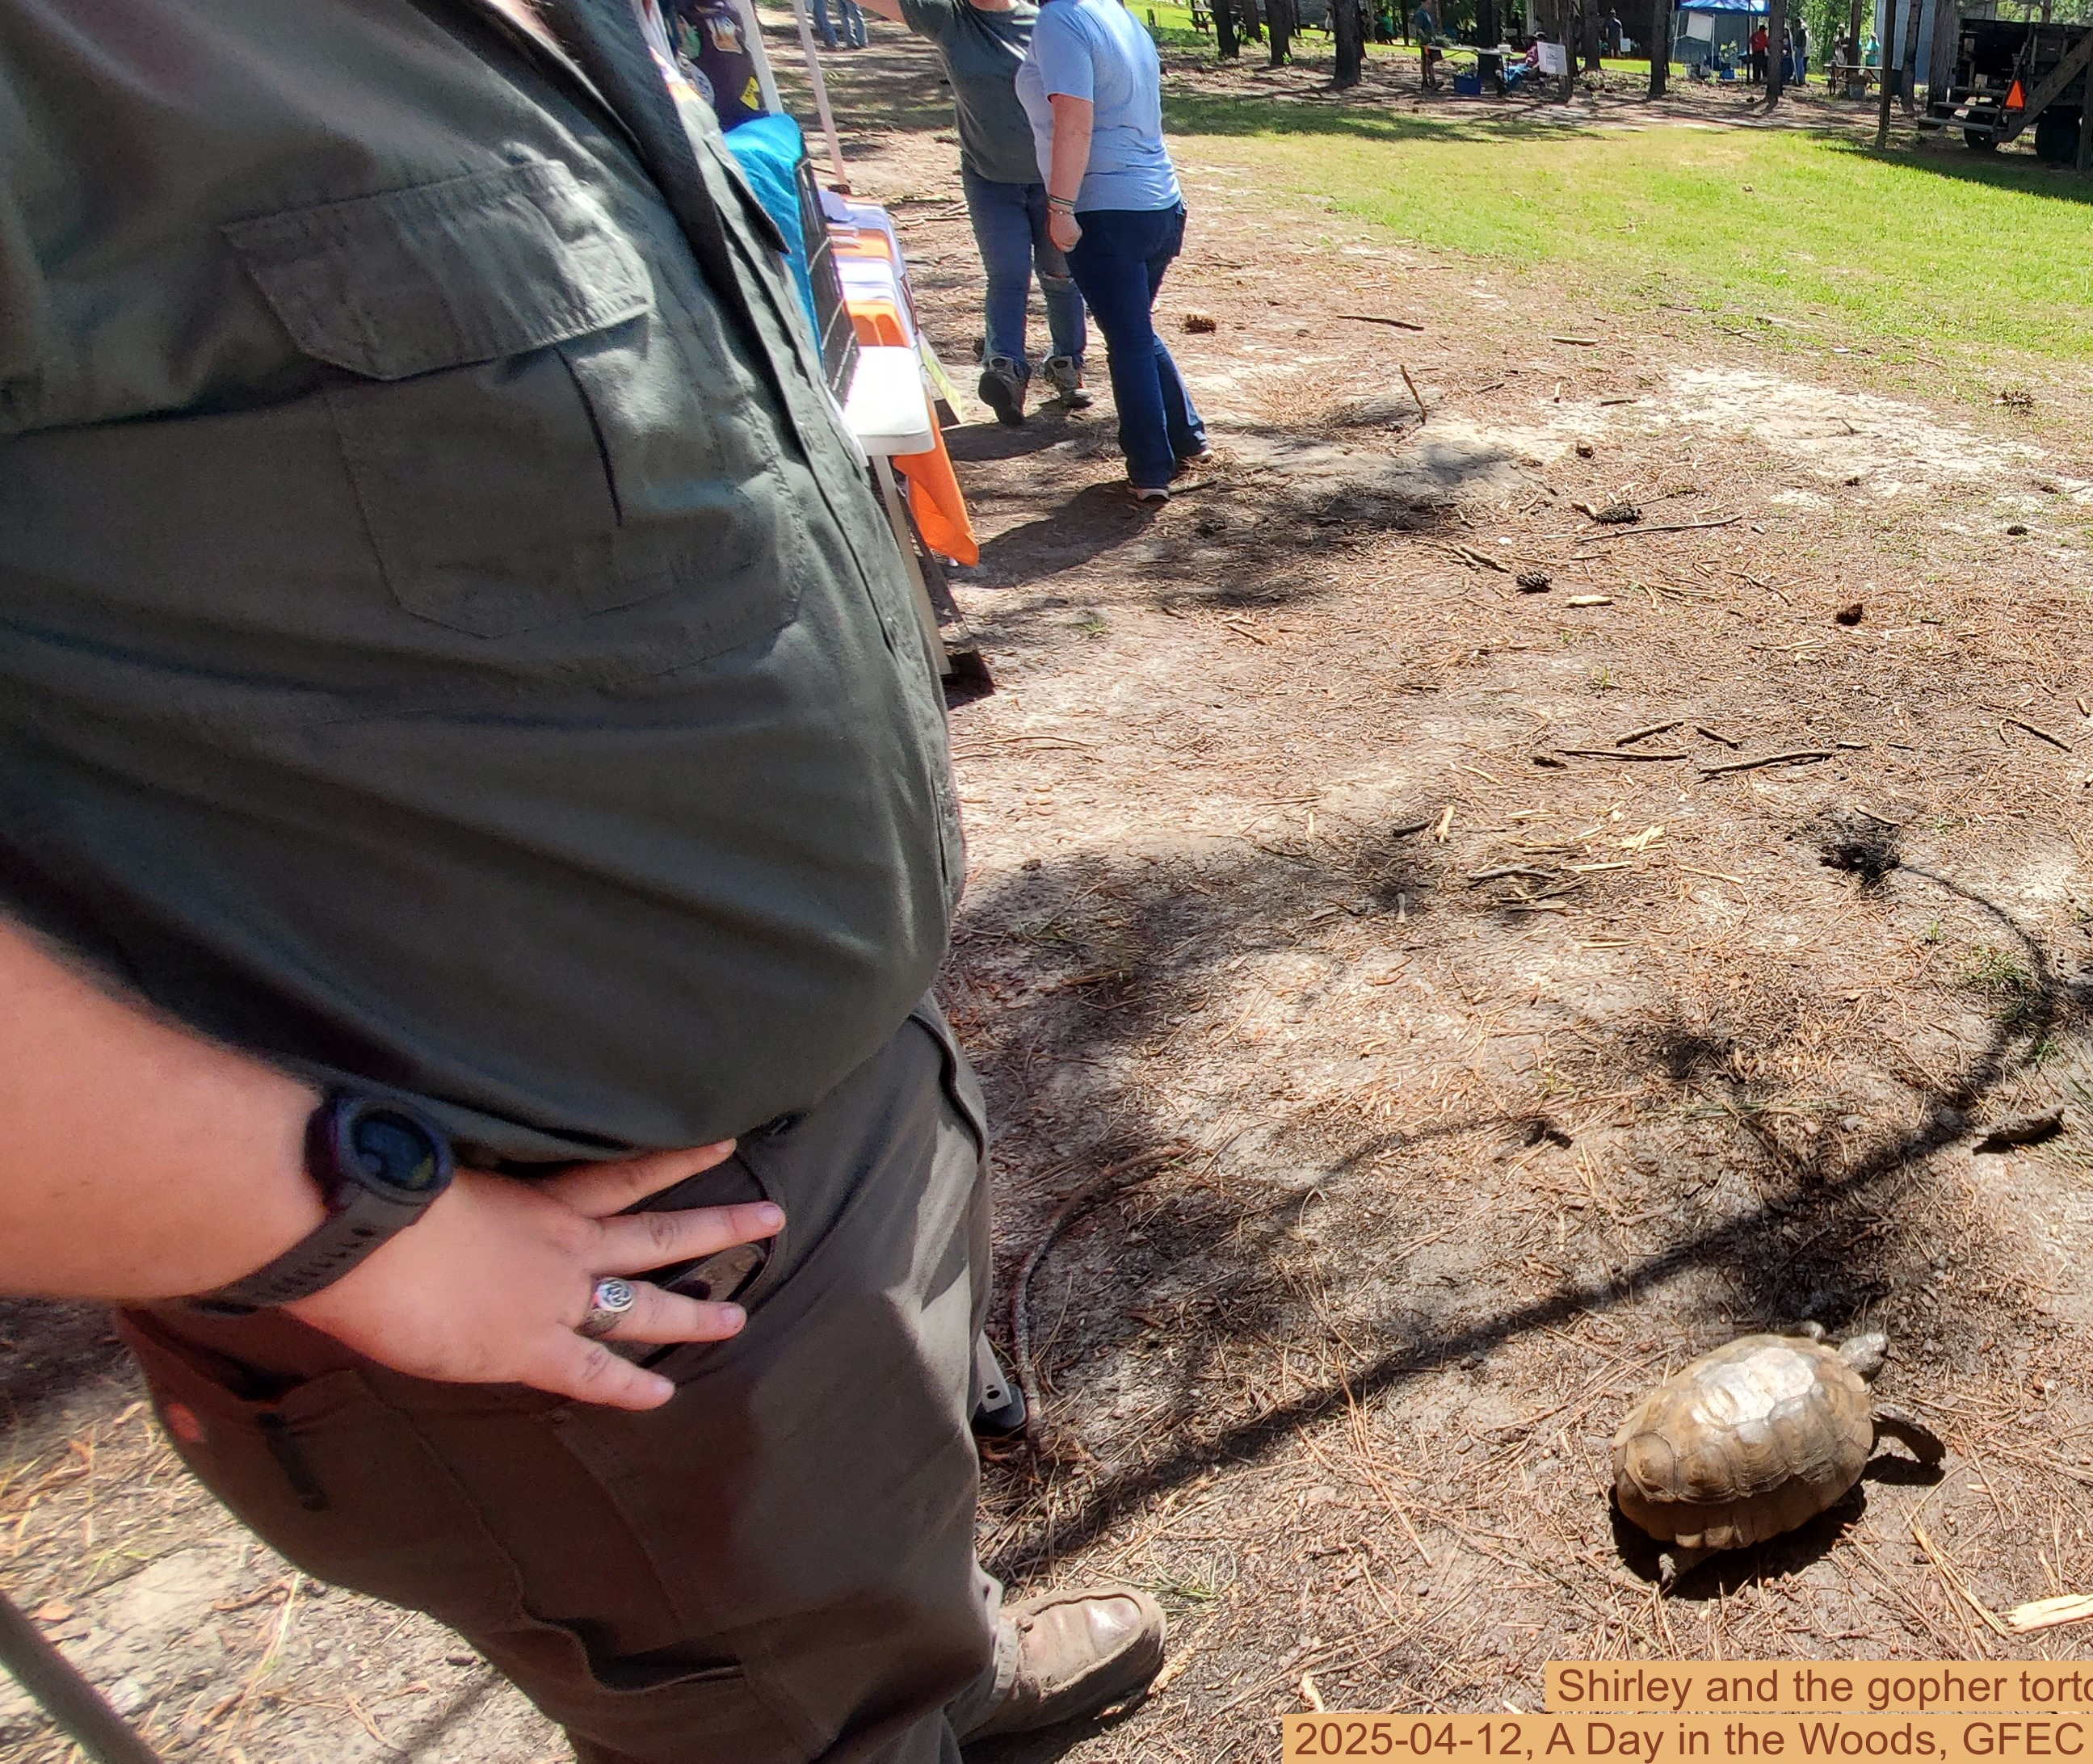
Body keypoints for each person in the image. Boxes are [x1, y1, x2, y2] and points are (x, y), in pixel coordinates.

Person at [0, 5, 1168, 1760]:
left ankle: (933, 1672)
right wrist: (332, 1219)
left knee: (863, 1595)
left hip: (821, 1139)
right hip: (561, 1271)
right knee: (773, 1713)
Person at [868, 0, 1091, 424]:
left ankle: (1067, 363)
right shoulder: (948, 18)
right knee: (1007, 273)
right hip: (988, 177)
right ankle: (1005, 368)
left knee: (1060, 273)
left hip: (1052, 177)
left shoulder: (1045, 22)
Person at [1024, 0, 1210, 502]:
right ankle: (1188, 436)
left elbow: (1074, 118)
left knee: (1126, 339)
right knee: (1133, 327)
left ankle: (1151, 470)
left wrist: (1060, 207)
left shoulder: (1061, 19)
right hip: (1158, 204)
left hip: (1106, 207)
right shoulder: (1117, 15)